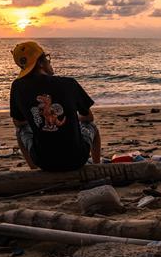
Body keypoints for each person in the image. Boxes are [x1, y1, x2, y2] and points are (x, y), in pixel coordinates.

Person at [9, 41, 101, 171]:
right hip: (77, 159)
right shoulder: (69, 83)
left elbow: (18, 122)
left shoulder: (17, 87)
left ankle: (34, 171)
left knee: (20, 131)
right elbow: (89, 118)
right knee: (92, 127)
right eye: (47, 58)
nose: (49, 62)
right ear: (40, 63)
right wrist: (73, 118)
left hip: (44, 162)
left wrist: (35, 120)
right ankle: (97, 168)